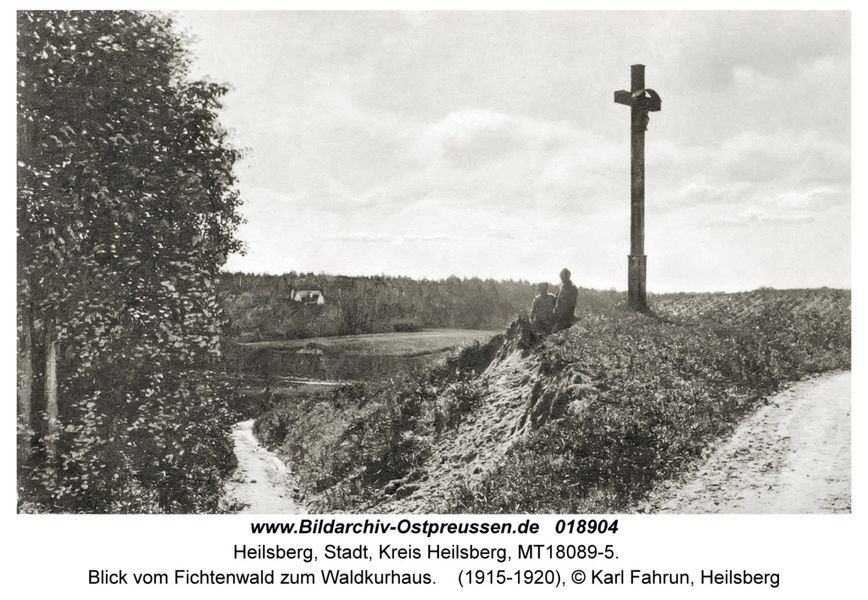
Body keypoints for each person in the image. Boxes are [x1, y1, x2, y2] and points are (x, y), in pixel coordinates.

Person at [553, 268, 578, 332]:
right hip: (558, 315)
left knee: (562, 332)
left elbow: (571, 303)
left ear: (568, 277)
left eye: (563, 277)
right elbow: (556, 297)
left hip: (566, 316)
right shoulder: (561, 287)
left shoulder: (573, 288)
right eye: (561, 277)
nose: (562, 279)